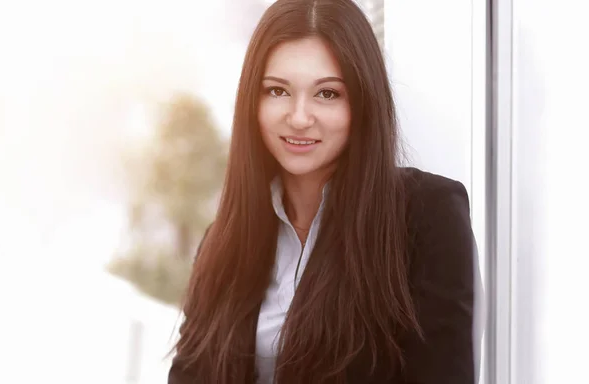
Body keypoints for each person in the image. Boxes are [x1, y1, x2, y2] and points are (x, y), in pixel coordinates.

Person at [168, 0, 481, 383]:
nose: (299, 118)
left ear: (362, 101)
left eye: (327, 93)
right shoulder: (223, 240)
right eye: (277, 91)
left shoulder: (428, 217)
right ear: (253, 101)